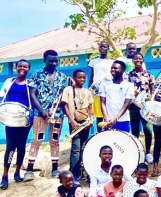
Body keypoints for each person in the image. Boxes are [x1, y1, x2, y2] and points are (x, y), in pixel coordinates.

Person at [26, 50, 70, 180]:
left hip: (57, 115)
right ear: (44, 60)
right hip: (40, 114)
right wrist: (41, 110)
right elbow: (32, 94)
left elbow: (63, 97)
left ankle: (55, 170)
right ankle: (29, 170)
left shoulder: (62, 77)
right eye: (51, 61)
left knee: (55, 141)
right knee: (37, 140)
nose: (54, 63)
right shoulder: (37, 74)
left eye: (56, 61)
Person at [0, 59, 32, 189]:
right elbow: (2, 96)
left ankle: (18, 172)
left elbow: (34, 99)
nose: (22, 68)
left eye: (25, 67)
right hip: (11, 118)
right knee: (10, 146)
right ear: (16, 67)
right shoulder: (9, 81)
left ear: (28, 69)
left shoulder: (30, 83)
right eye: (20, 66)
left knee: (21, 145)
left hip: (25, 119)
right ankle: (5, 176)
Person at [61, 69, 93, 183]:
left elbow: (90, 108)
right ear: (74, 77)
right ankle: (73, 173)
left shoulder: (88, 92)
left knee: (83, 147)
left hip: (85, 123)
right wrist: (72, 121)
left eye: (84, 77)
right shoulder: (68, 90)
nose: (82, 80)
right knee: (75, 148)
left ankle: (81, 172)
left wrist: (90, 120)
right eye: (80, 77)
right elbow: (64, 106)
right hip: (74, 123)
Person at [127, 53, 154, 161]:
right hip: (134, 106)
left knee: (148, 130)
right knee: (135, 130)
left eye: (140, 58)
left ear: (143, 60)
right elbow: (126, 89)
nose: (138, 60)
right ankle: (136, 152)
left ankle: (147, 152)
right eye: (136, 58)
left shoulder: (149, 74)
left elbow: (152, 89)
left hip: (145, 106)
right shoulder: (129, 75)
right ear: (133, 61)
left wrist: (150, 98)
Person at [98, 60, 134, 133]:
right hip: (108, 122)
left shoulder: (129, 85)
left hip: (123, 120)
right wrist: (106, 118)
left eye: (115, 68)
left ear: (122, 70)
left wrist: (116, 118)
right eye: (111, 68)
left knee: (123, 142)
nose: (112, 70)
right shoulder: (104, 84)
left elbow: (126, 104)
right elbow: (102, 102)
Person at [88, 41, 114, 125]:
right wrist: (89, 90)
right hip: (96, 90)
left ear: (108, 49)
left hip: (108, 89)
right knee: (99, 113)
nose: (102, 48)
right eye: (101, 47)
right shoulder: (93, 62)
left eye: (105, 47)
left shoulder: (112, 62)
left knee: (108, 110)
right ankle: (100, 132)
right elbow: (91, 76)